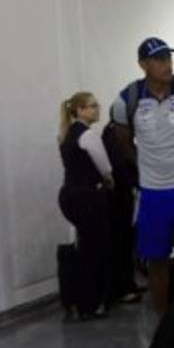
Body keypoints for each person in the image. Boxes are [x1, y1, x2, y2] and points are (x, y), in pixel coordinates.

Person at [111, 37, 174, 314]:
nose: (167, 64)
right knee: (157, 264)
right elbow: (123, 141)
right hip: (153, 195)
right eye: (159, 60)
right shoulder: (127, 99)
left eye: (169, 58)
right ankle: (163, 328)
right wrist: (144, 167)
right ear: (143, 65)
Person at [57, 91, 116, 320]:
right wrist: (108, 183)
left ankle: (77, 300)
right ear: (79, 110)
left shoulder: (65, 134)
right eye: (91, 106)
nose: (96, 109)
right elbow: (105, 169)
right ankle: (91, 302)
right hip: (87, 197)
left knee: (84, 248)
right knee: (96, 250)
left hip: (69, 195)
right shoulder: (89, 135)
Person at [101, 106, 143, 303]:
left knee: (124, 242)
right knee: (123, 242)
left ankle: (126, 285)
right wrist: (134, 186)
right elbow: (120, 167)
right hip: (121, 197)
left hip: (122, 195)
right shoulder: (115, 137)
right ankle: (124, 287)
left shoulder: (112, 134)